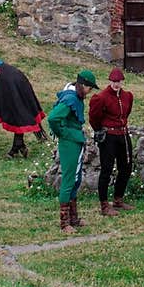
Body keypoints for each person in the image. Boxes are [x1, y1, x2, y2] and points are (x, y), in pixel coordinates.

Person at [47, 69, 98, 232]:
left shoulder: (76, 97)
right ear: (82, 85)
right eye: (89, 88)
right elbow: (53, 118)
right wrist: (63, 133)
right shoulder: (70, 99)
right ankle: (64, 222)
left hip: (75, 140)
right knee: (69, 179)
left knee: (76, 179)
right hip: (69, 141)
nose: (89, 92)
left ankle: (73, 218)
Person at [89, 67, 134, 216]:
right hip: (109, 137)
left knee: (126, 167)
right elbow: (94, 117)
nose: (116, 84)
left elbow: (126, 113)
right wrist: (101, 129)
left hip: (123, 135)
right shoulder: (101, 97)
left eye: (119, 81)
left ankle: (118, 199)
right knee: (107, 169)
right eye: (114, 81)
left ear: (122, 82)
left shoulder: (128, 96)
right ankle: (104, 205)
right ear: (110, 81)